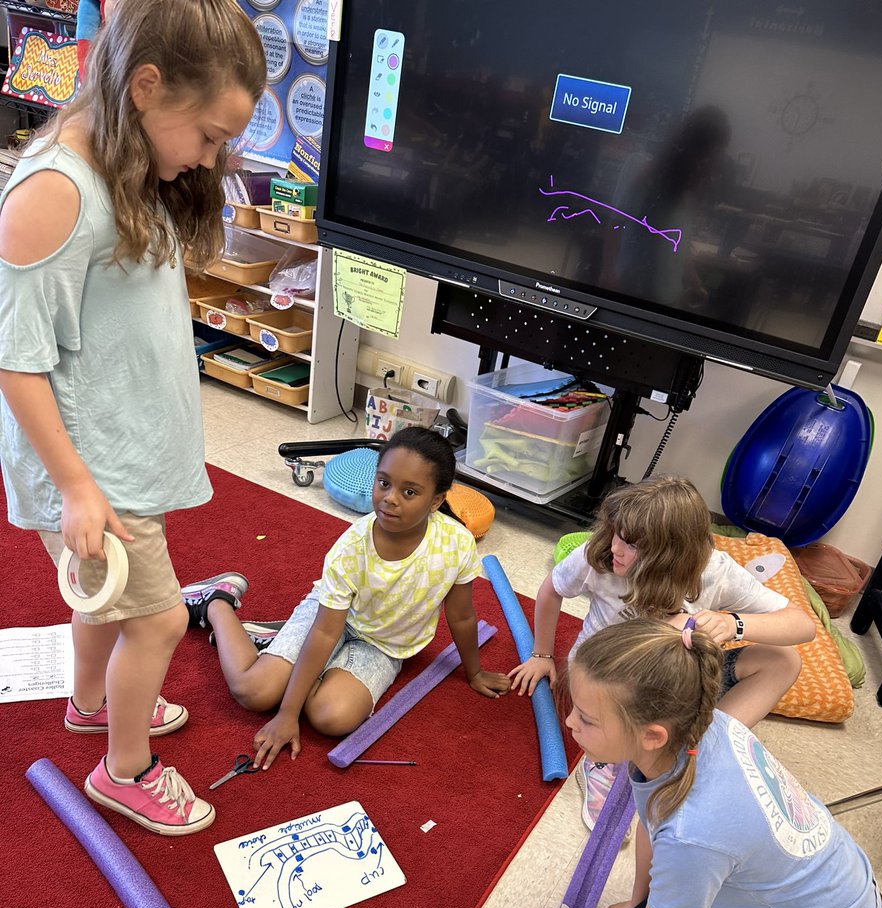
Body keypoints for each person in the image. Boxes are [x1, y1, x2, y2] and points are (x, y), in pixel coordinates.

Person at [0, 0, 266, 834]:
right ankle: (126, 770)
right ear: (146, 88)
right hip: (92, 467)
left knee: (102, 604)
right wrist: (77, 488)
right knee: (151, 619)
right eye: (211, 136)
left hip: (117, 449)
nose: (211, 157)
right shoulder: (54, 190)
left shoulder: (126, 156)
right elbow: (16, 356)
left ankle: (90, 703)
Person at [530, 619, 882, 908]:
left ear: (652, 735)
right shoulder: (701, 729)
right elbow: (650, 819)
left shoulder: (694, 833)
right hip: (807, 895)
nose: (568, 721)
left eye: (586, 718)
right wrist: (637, 902)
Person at [183, 426, 511, 769]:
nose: (390, 498)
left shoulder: (456, 543)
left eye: (409, 491)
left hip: (383, 645)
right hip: (330, 620)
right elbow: (325, 632)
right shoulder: (352, 548)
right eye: (383, 483)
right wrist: (286, 713)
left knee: (332, 719)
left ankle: (280, 646)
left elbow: (461, 616)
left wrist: (474, 673)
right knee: (255, 693)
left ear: (437, 500)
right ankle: (217, 601)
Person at [508, 476, 815, 829]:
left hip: (674, 681)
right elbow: (551, 590)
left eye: (633, 544)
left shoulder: (714, 571)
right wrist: (542, 655)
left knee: (784, 659)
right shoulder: (600, 556)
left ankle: (700, 750)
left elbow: (801, 625)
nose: (616, 548)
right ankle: (605, 763)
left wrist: (733, 623)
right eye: (616, 532)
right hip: (607, 679)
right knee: (620, 701)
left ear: (674, 555)